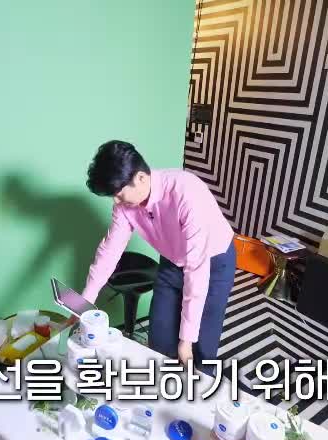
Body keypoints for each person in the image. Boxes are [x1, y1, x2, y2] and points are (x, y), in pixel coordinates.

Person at [78, 140, 236, 370]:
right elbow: (109, 252)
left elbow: (196, 270)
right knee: (159, 340)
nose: (116, 201)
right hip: (172, 261)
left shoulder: (186, 193)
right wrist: (84, 303)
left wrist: (186, 341)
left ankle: (201, 386)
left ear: (141, 178)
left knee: (200, 347)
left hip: (213, 263)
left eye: (119, 194)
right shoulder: (124, 205)